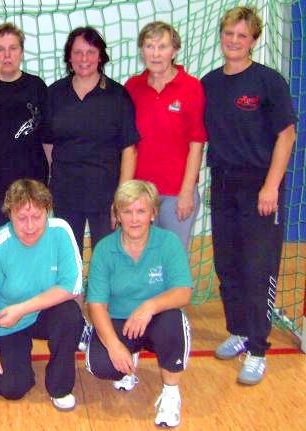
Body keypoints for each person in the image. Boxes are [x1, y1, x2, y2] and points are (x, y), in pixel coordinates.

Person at [201, 6, 297, 385]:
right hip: (223, 183)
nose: (234, 40)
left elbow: (286, 135)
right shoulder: (209, 83)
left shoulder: (269, 81)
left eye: (242, 35)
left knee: (259, 268)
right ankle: (239, 330)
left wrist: (271, 185)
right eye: (229, 33)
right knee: (227, 264)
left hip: (260, 186)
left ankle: (258, 349)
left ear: (253, 40)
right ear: (221, 36)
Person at [85, 180, 192, 428]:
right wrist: (114, 346)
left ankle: (171, 393)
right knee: (100, 365)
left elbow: (183, 292)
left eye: (141, 211)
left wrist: (149, 307)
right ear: (117, 215)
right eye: (127, 211)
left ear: (153, 214)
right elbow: (97, 305)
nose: (134, 219)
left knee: (173, 322)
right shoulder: (104, 249)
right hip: (120, 320)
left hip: (157, 318)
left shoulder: (168, 242)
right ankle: (128, 359)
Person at [0, 178, 85, 411]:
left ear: (47, 211)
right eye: (21, 218)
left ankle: (60, 387)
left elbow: (72, 286)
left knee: (70, 315)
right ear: (9, 215)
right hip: (8, 322)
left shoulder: (61, 231)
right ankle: (17, 358)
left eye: (37, 216)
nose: (30, 226)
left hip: (42, 312)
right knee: (12, 388)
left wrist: (22, 308)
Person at [44, 26, 139, 252]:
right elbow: (47, 143)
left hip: (106, 194)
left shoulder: (117, 95)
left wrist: (122, 197)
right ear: (69, 57)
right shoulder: (55, 93)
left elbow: (129, 149)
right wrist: (55, 180)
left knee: (107, 256)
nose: (84, 59)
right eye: (77, 52)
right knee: (68, 256)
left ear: (100, 56)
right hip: (65, 193)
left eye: (90, 52)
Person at [125, 21, 207, 252]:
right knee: (141, 259)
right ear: (142, 51)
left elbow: (197, 144)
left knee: (172, 259)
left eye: (162, 47)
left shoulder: (191, 87)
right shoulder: (132, 87)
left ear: (175, 50)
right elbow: (128, 145)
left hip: (176, 194)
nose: (156, 54)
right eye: (149, 46)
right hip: (140, 193)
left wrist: (187, 192)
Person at [0, 23, 49, 241]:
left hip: (31, 185)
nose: (7, 55)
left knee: (30, 245)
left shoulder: (37, 87)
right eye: (0, 49)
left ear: (21, 52)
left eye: (13, 48)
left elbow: (46, 138)